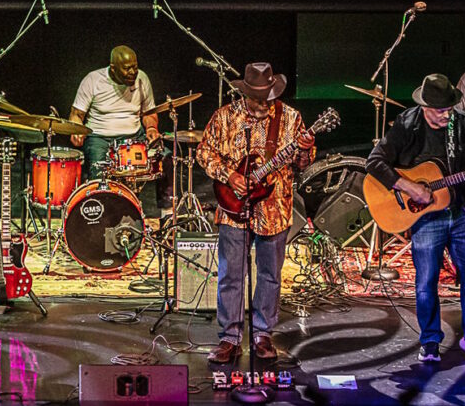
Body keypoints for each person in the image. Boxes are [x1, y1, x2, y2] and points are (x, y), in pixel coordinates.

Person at [365, 75, 465, 365]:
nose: (446, 115)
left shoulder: (463, 123)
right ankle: (430, 340)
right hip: (426, 217)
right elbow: (374, 162)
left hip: (461, 210)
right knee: (426, 281)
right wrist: (410, 187)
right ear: (425, 107)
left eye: (449, 109)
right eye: (439, 111)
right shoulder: (407, 123)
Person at [196, 63, 315, 365]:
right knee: (231, 275)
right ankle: (230, 338)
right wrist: (229, 175)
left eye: (268, 98)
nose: (264, 104)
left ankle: (263, 334)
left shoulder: (291, 118)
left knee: (270, 275)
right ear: (245, 94)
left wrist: (305, 149)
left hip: (274, 208)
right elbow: (204, 153)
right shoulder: (225, 117)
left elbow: (302, 163)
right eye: (257, 99)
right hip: (233, 208)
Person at [67, 44, 172, 209]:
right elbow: (76, 114)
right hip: (99, 137)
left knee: (166, 158)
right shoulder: (93, 80)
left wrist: (151, 128)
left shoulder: (142, 79)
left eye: (135, 67)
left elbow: (149, 113)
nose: (133, 72)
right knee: (98, 171)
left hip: (134, 136)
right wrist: (76, 130)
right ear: (113, 68)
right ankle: (101, 213)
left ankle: (167, 212)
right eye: (127, 68)